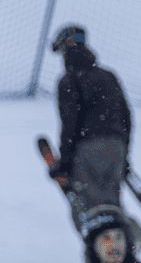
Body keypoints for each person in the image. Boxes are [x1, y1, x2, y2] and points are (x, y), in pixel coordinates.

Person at [48, 24, 132, 232]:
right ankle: (123, 249)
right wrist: (124, 156)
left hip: (88, 149)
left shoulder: (69, 80)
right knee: (111, 204)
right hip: (116, 147)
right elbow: (126, 118)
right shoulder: (108, 76)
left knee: (90, 209)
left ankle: (102, 257)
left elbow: (70, 124)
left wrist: (65, 161)